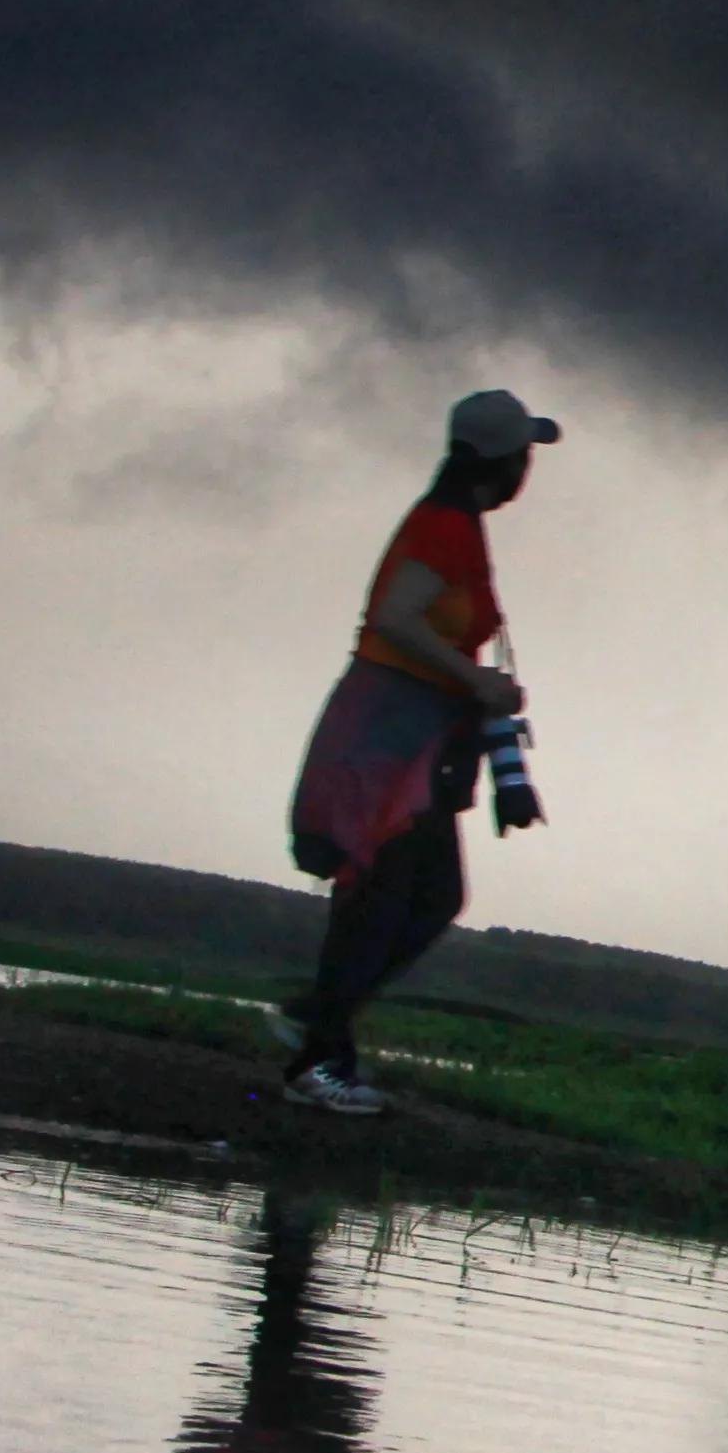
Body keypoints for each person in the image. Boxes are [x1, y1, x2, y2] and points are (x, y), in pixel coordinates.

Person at [276, 385, 555, 1114]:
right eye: (527, 453)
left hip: (414, 733)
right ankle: (318, 1054)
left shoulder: (458, 524)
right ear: (505, 461)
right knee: (389, 896)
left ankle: (318, 1020)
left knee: (426, 896)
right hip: (388, 735)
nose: (530, 468)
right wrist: (474, 680)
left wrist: (476, 690)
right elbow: (394, 618)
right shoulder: (443, 527)